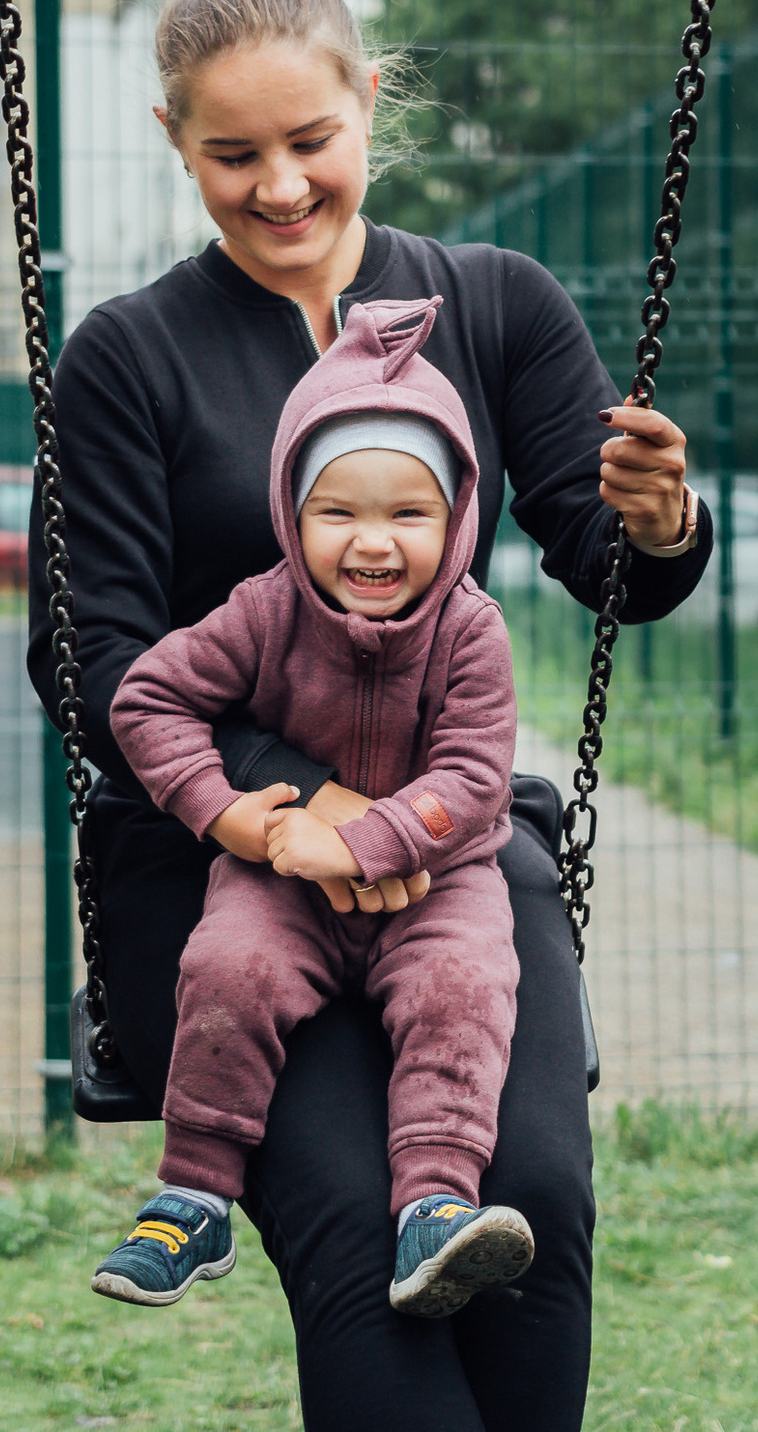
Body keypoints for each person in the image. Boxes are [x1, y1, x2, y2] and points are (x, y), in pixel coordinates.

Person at [39, 0, 709, 1432]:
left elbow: (609, 561)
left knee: (531, 1202)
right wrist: (298, 804)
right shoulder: (129, 358)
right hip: (215, 864)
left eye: (311, 141)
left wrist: (662, 522)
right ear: (175, 141)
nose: (279, 186)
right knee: (354, 1225)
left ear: (371, 105)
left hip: (449, 857)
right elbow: (89, 657)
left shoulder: (496, 306)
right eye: (233, 155)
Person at [92, 296, 534, 1319]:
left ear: (458, 520)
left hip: (435, 882)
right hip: (278, 877)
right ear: (292, 516)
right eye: (339, 514)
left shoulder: (471, 631)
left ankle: (435, 1207)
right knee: (226, 966)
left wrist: (364, 841)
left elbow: (473, 778)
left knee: (466, 985)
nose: (373, 543)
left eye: (409, 515)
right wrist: (227, 815)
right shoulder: (264, 611)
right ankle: (193, 1195)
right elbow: (146, 699)